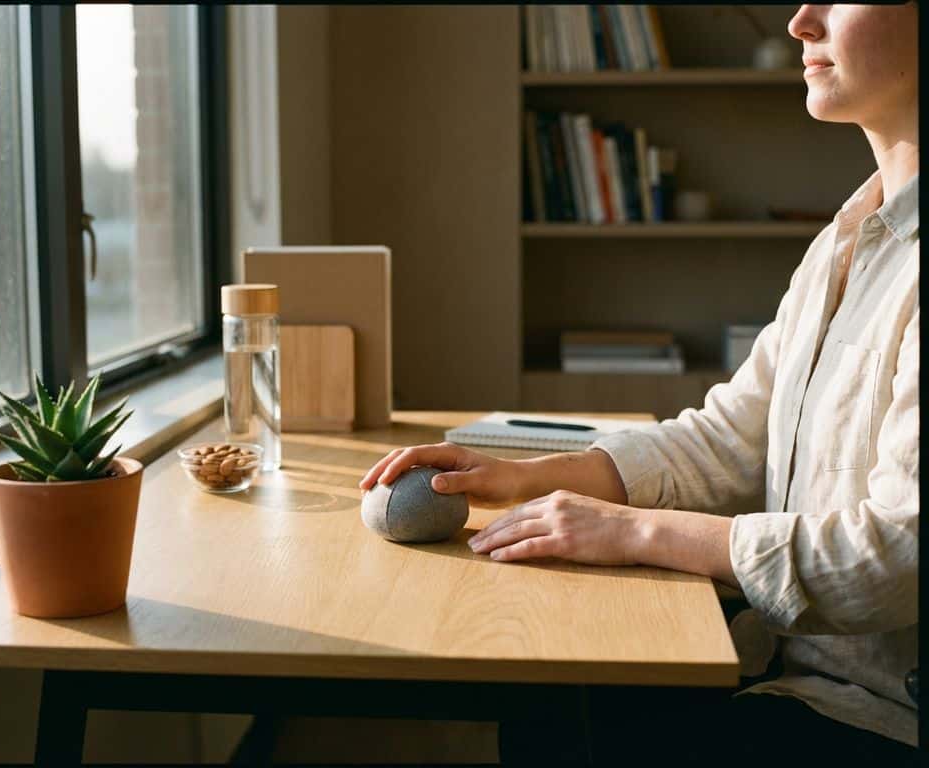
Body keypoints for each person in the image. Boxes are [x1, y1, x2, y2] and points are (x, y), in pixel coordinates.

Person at [359, 4, 919, 764]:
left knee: (557, 703)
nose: (799, 22)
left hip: (878, 720)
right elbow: (730, 436)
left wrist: (634, 532)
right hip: (788, 671)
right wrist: (524, 478)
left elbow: (895, 558)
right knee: (552, 690)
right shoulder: (849, 236)